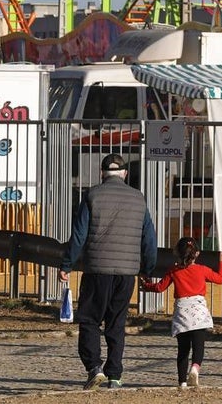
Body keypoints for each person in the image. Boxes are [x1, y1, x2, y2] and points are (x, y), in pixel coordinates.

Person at [59, 153, 157, 390]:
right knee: (116, 323)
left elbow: (79, 235)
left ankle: (94, 367)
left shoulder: (92, 195)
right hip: (127, 273)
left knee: (90, 320)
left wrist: (67, 264)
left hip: (96, 270)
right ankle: (115, 375)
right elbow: (149, 239)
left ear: (102, 173)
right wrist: (147, 268)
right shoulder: (139, 199)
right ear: (124, 173)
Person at [140, 238, 222, 390]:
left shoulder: (173, 271)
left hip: (182, 312)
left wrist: (146, 285)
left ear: (176, 253)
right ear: (197, 254)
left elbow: (160, 288)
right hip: (198, 312)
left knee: (183, 349)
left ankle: (182, 382)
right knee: (198, 345)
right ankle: (195, 368)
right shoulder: (202, 269)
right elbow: (220, 279)